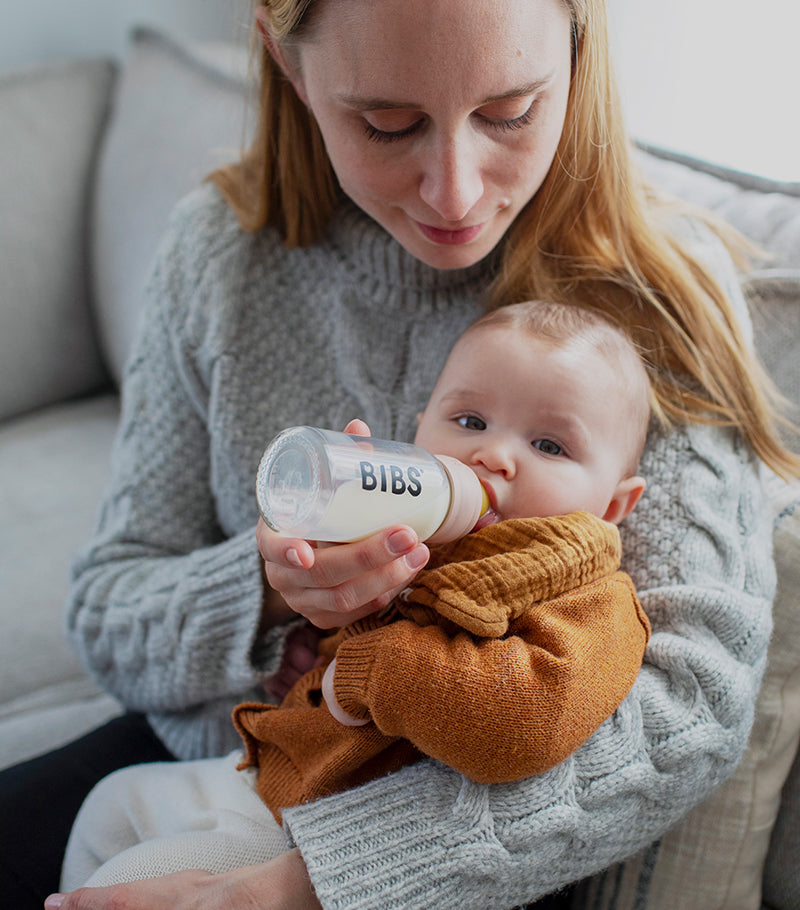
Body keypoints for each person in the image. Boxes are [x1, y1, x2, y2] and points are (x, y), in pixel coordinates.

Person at [0, 0, 793, 905]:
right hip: (232, 759)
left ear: (579, 49)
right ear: (290, 68)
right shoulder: (219, 254)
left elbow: (686, 712)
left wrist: (309, 884)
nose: (454, 192)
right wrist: (267, 583)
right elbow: (109, 610)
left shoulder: (652, 300)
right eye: (387, 122)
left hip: (453, 843)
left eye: (510, 112)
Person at [58, 299, 652, 890]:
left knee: (128, 879)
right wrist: (307, 601)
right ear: (419, 430)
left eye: (549, 446)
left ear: (615, 505)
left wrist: (371, 669)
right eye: (470, 422)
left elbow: (531, 723)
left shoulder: (588, 597)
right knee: (110, 806)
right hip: (277, 768)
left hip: (337, 826)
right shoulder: (407, 530)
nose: (492, 456)